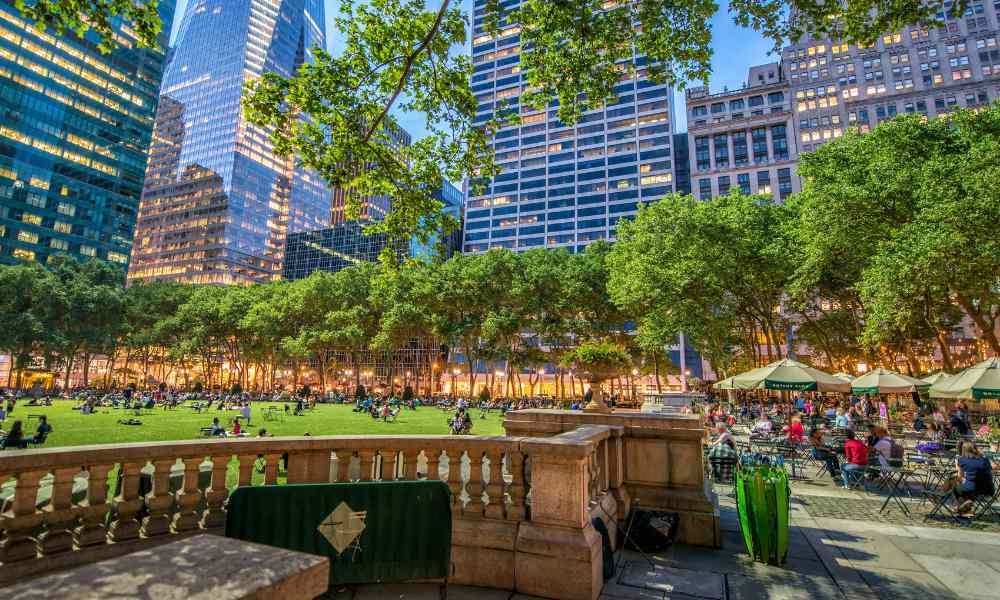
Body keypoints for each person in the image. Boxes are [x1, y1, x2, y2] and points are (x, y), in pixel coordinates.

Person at [950, 441, 995, 515]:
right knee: (968, 488)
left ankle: (957, 506)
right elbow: (990, 469)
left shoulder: (962, 460)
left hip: (972, 489)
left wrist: (957, 466)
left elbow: (959, 477)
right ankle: (966, 509)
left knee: (955, 486)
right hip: (988, 489)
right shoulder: (985, 459)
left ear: (963, 450)